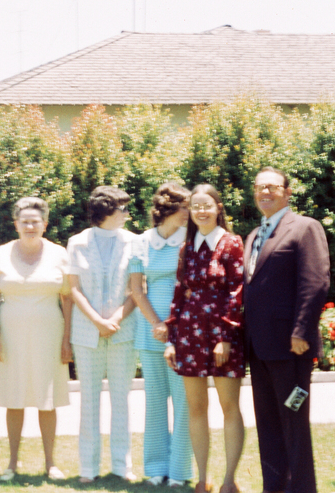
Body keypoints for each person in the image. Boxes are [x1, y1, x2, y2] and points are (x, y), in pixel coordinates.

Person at [243, 167, 329, 493]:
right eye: (259, 187)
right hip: (259, 346)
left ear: (287, 192)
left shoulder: (305, 228)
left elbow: (315, 282)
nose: (264, 192)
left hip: (291, 347)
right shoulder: (254, 234)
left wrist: (301, 331)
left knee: (294, 423)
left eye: (272, 187)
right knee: (267, 423)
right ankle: (275, 487)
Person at [0, 197, 72, 482]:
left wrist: (67, 339)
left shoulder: (60, 254)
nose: (30, 226)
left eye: (35, 222)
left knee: (48, 399)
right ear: (16, 224)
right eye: (25, 222)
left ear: (45, 225)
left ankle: (51, 464)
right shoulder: (0, 254)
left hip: (49, 334)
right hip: (11, 335)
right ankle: (11, 463)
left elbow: (68, 298)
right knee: (14, 398)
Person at [165, 184, 245, 493]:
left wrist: (226, 336)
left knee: (229, 407)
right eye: (195, 206)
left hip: (223, 337)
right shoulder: (187, 247)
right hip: (189, 334)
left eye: (206, 205)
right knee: (196, 408)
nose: (201, 211)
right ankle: (202, 479)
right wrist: (171, 339)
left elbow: (237, 292)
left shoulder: (231, 243)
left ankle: (229, 480)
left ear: (218, 208)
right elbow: (179, 294)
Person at [66, 186, 138, 483]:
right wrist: (97, 321)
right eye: (123, 208)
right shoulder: (77, 242)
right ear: (107, 211)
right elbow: (74, 288)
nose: (127, 214)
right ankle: (88, 468)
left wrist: (116, 318)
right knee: (89, 401)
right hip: (87, 332)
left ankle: (122, 466)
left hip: (123, 331)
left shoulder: (134, 242)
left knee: (121, 400)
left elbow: (137, 289)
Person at [130, 183, 194, 487]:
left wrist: (174, 326)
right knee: (155, 402)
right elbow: (136, 289)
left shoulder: (192, 241)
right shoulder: (141, 242)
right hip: (150, 333)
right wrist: (157, 323)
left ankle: (179, 471)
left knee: (184, 403)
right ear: (169, 209)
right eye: (186, 207)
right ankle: (156, 468)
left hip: (184, 332)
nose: (190, 213)